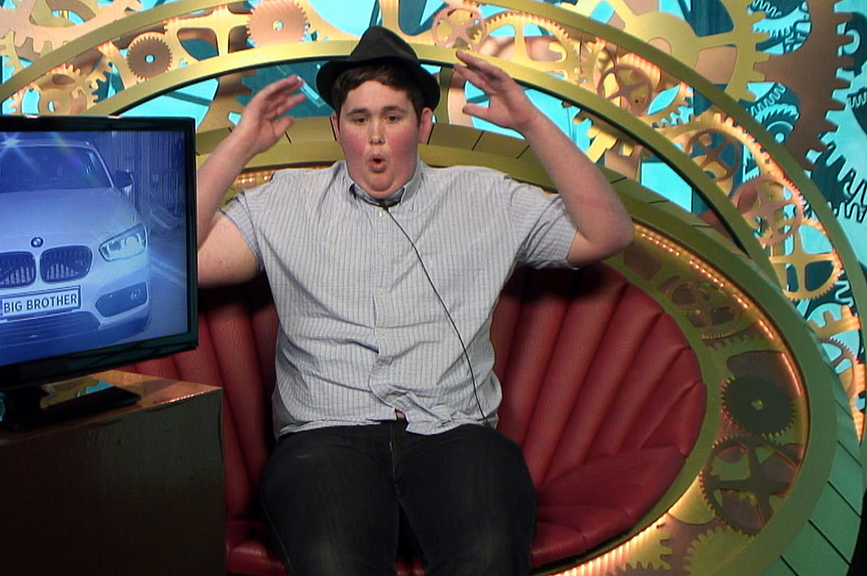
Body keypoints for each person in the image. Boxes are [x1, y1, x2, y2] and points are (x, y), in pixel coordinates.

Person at [196, 26, 634, 576]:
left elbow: (608, 234)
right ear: (336, 128)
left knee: (488, 557)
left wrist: (530, 122)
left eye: (393, 117)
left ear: (424, 124)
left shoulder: (484, 196)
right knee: (335, 564)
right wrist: (240, 144)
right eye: (359, 119)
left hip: (454, 435)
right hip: (323, 441)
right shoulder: (285, 202)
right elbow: (182, 261)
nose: (376, 137)